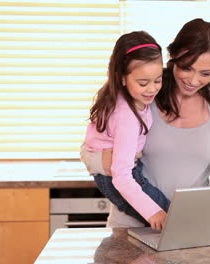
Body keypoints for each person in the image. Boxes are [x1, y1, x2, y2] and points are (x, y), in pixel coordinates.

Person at [105, 18, 210, 228]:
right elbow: (91, 150)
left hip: (190, 227)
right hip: (131, 226)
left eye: (205, 73)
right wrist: (105, 161)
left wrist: (199, 207)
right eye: (187, 68)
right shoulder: (145, 94)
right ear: (173, 56)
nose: (194, 80)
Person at [80, 31, 170, 230]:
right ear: (122, 78)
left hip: (117, 175)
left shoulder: (125, 99)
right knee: (171, 218)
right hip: (117, 179)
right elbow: (121, 176)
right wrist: (153, 211)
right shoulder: (126, 116)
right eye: (143, 83)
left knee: (172, 218)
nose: (152, 89)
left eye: (158, 80)